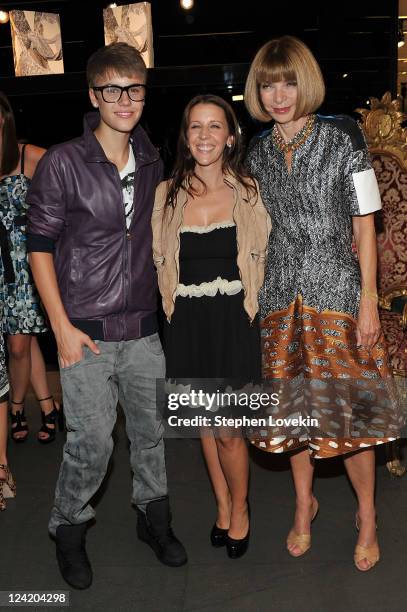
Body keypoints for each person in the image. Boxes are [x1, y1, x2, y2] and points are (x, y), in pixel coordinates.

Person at [27, 42, 187, 590]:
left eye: (134, 89)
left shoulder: (153, 159)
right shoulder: (63, 162)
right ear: (94, 95)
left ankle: (154, 522)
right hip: (85, 334)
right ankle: (67, 529)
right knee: (90, 445)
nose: (125, 99)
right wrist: (61, 329)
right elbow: (39, 248)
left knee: (151, 436)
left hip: (143, 329)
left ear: (144, 94)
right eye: (113, 89)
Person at [244, 35, 402, 572]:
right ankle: (303, 507)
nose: (280, 95)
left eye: (288, 82)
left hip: (337, 296)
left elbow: (366, 226)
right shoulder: (257, 152)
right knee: (294, 414)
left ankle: (368, 514)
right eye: (269, 84)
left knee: (353, 417)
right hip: (280, 301)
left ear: (304, 83)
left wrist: (369, 302)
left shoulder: (345, 139)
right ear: (258, 91)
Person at [152, 94, 270, 559]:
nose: (204, 135)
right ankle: (221, 504)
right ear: (185, 136)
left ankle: (241, 509)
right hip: (185, 321)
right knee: (203, 422)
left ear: (231, 135)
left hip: (233, 320)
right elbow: (155, 261)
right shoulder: (166, 194)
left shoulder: (250, 191)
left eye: (214, 126)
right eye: (195, 127)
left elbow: (269, 258)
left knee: (228, 431)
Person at [0, 91, 62, 444]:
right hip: (0, 267)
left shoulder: (28, 156)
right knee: (24, 340)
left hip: (27, 267)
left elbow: (70, 177)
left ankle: (16, 406)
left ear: (5, 118)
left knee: (18, 346)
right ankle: (49, 405)